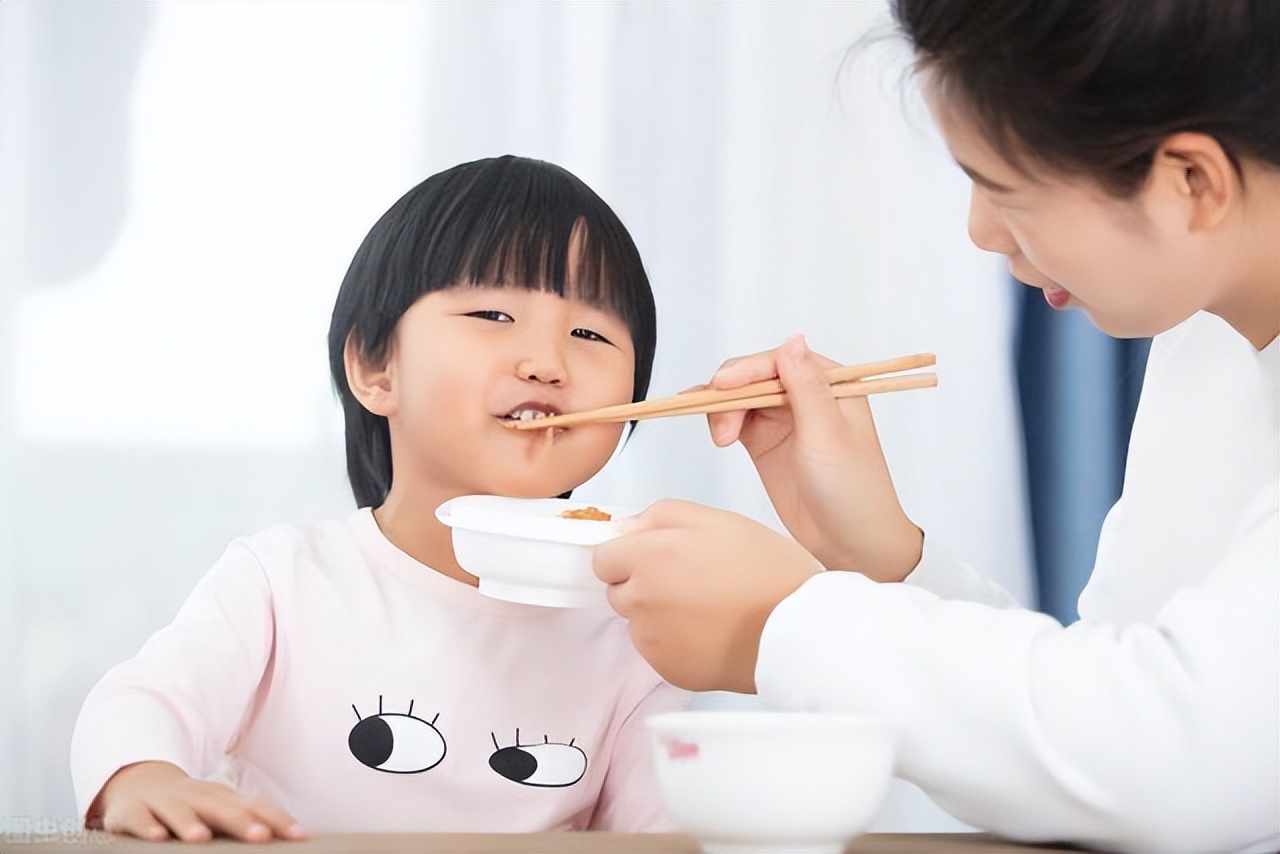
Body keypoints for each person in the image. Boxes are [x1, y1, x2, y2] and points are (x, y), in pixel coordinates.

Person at [593, 1, 1278, 852]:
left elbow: (1179, 768)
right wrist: (882, 559)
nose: (980, 232)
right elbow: (1097, 740)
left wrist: (785, 623)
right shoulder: (1206, 339)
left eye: (1003, 188)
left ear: (1192, 183)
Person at [70, 155, 686, 842]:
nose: (547, 359)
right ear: (373, 368)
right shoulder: (284, 581)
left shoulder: (637, 635)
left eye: (590, 334)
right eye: (493, 313)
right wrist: (142, 773)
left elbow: (663, 837)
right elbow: (142, 700)